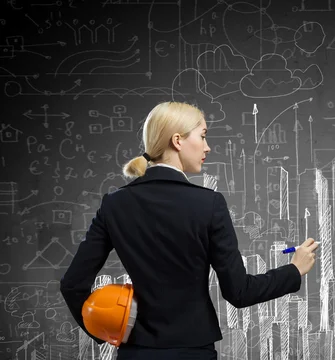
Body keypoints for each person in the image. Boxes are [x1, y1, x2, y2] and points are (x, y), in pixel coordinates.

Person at [59, 101, 319, 360]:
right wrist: (294, 270)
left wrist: (106, 330)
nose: (207, 147)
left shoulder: (114, 204)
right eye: (203, 136)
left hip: (135, 351)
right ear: (177, 141)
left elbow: (72, 284)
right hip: (193, 350)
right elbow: (239, 292)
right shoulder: (209, 204)